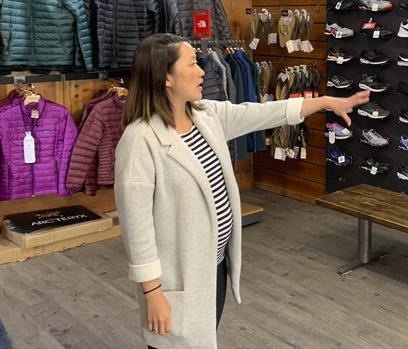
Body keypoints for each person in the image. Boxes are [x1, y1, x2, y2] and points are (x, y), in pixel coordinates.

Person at [114, 34, 368, 349]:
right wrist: (152, 293)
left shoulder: (205, 116)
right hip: (175, 281)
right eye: (193, 63)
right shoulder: (140, 140)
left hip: (213, 267)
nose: (202, 71)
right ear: (166, 77)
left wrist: (326, 102)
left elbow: (262, 112)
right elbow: (136, 228)